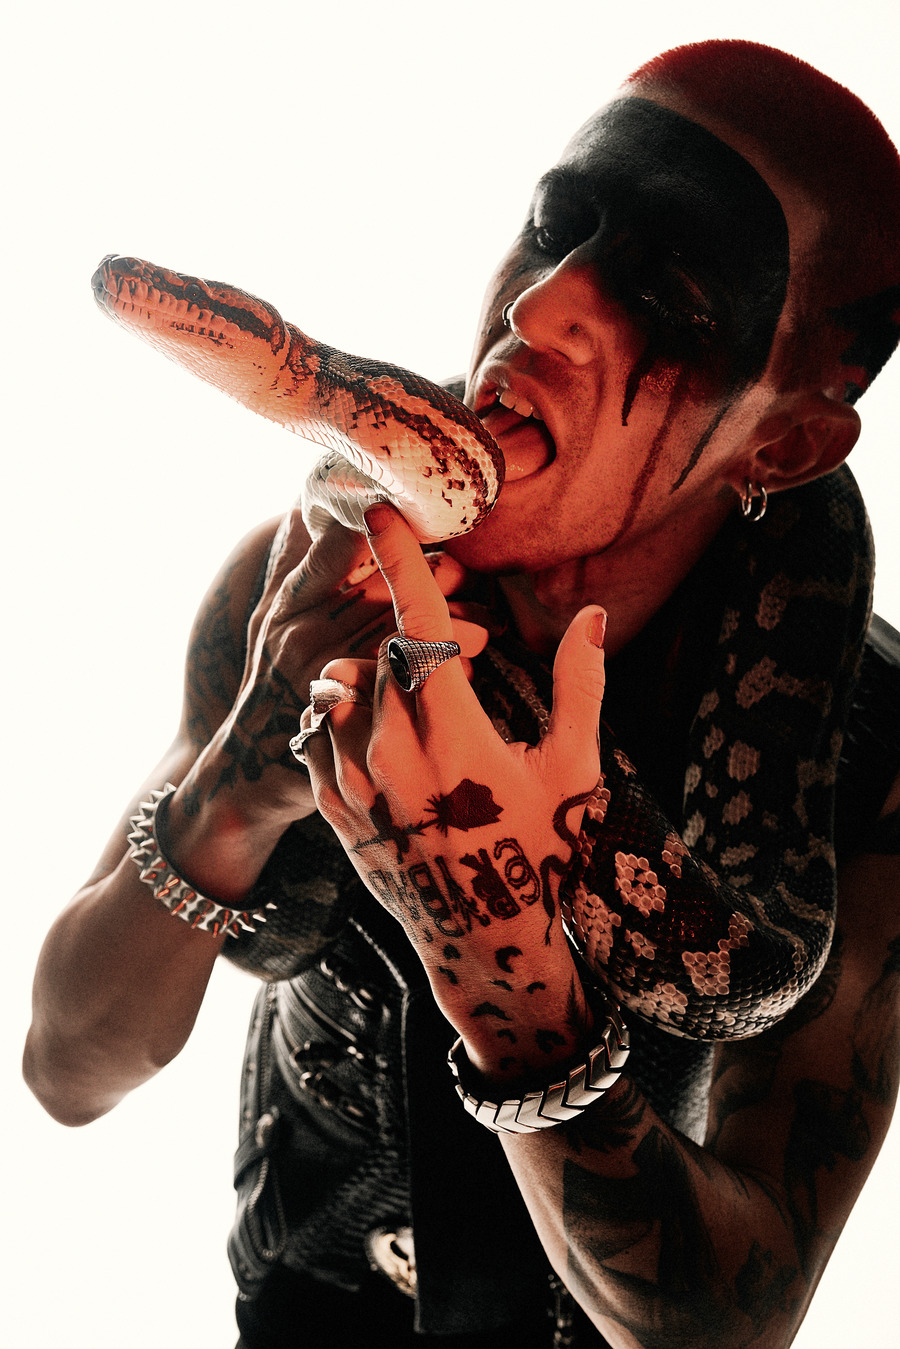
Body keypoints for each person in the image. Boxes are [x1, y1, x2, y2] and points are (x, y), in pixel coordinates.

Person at [24, 38, 900, 1349]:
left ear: (783, 442)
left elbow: (730, 1324)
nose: (543, 305)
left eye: (666, 298)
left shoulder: (873, 759)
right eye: (556, 223)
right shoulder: (304, 591)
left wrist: (510, 966)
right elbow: (66, 1069)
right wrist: (236, 786)